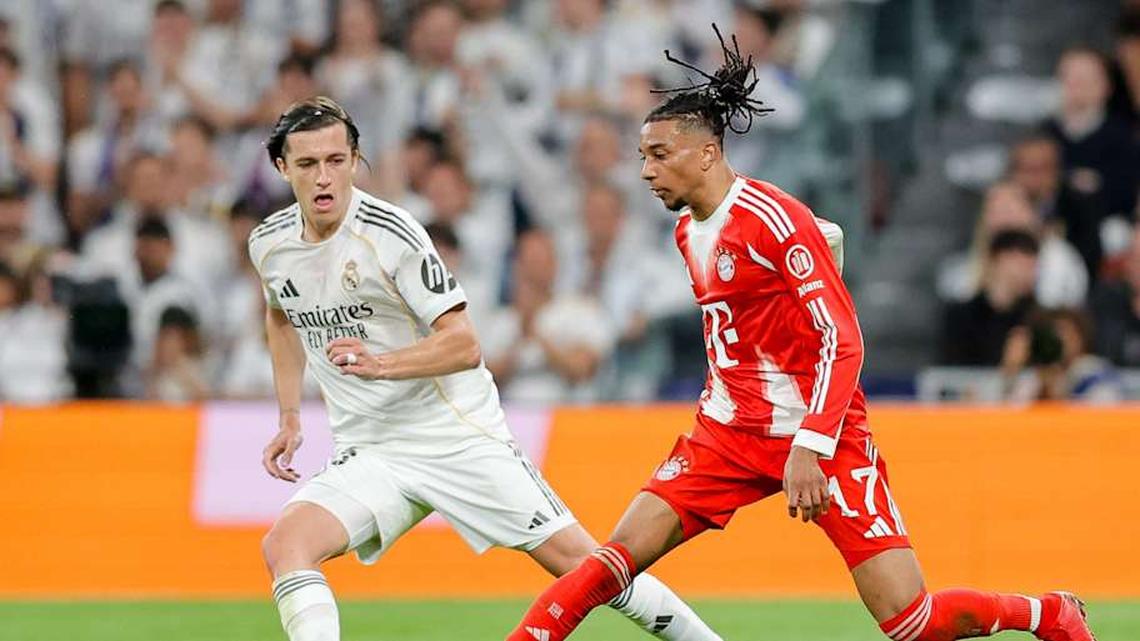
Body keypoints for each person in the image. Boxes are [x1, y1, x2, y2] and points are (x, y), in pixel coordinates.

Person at [505, 29, 1096, 641]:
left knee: (911, 624)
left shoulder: (775, 219)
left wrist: (810, 445)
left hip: (822, 433)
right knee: (613, 559)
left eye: (658, 154)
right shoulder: (687, 232)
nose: (646, 171)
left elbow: (844, 340)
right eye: (642, 157)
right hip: (728, 432)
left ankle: (1045, 612)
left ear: (706, 153)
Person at [249, 96, 721, 641]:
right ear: (283, 168)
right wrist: (289, 415)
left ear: (355, 160)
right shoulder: (270, 244)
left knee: (586, 565)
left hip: (456, 436)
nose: (324, 177)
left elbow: (465, 345)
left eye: (336, 160)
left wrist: (381, 364)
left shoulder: (392, 234)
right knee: (286, 545)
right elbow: (281, 316)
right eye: (307, 164)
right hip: (373, 448)